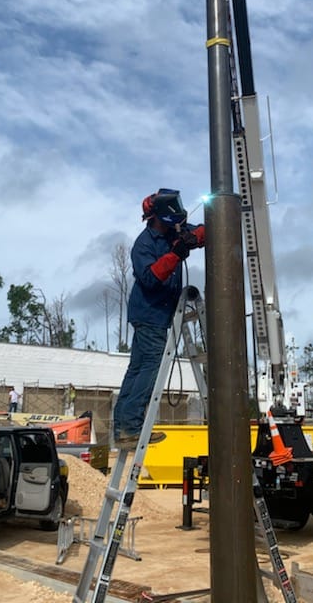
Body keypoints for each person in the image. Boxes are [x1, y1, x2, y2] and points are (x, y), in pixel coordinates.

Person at [113, 188, 205, 449]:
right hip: (149, 313)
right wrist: (176, 253)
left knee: (136, 369)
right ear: (158, 215)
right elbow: (152, 277)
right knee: (149, 368)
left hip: (155, 313)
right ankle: (130, 427)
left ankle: (123, 429)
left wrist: (192, 237)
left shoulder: (174, 230)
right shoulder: (144, 244)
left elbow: (202, 232)